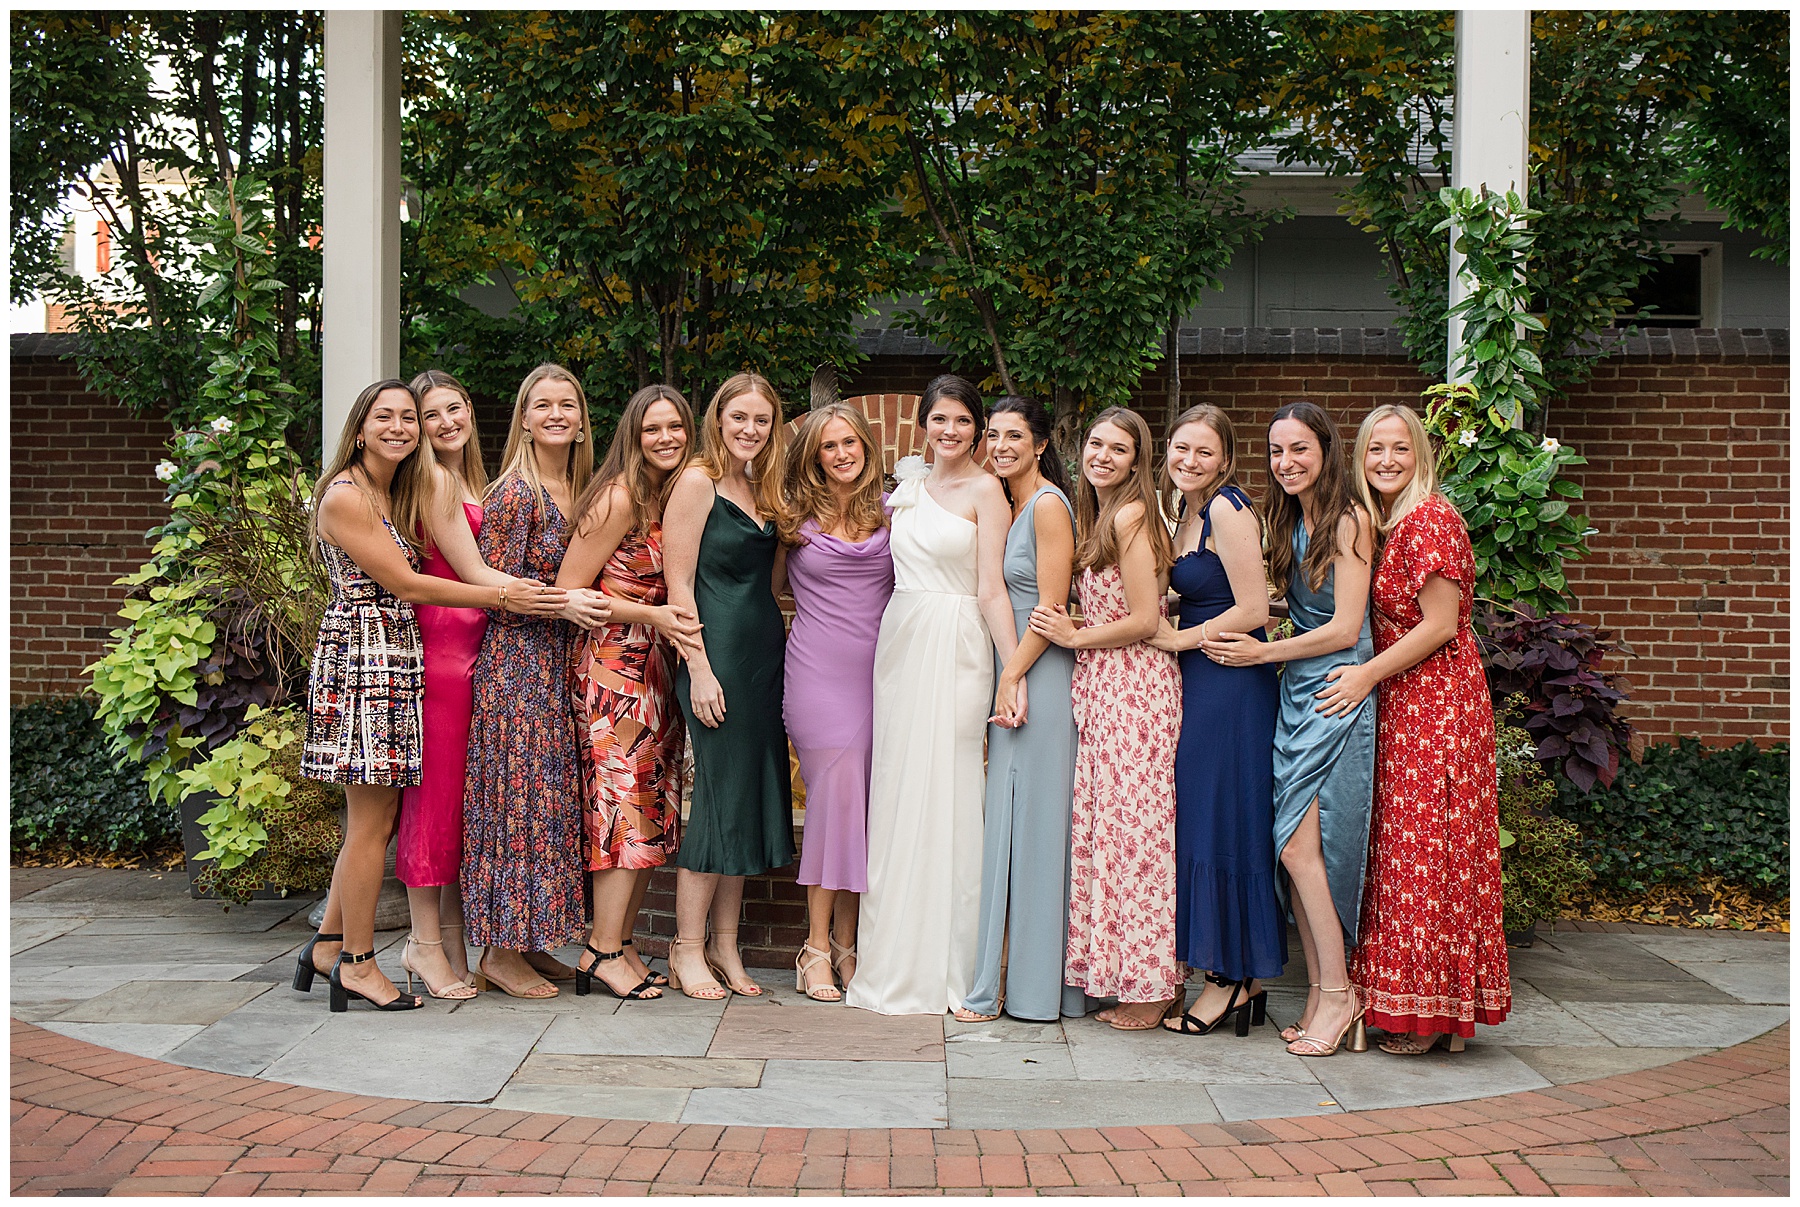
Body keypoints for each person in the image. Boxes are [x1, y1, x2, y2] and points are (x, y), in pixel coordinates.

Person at [296, 379, 562, 1012]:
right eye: (385, 417)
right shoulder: (345, 497)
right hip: (365, 659)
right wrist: (504, 594)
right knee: (373, 823)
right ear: (358, 428)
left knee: (375, 821)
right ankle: (360, 965)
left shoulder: (388, 490)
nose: (401, 427)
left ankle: (330, 946)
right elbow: (409, 585)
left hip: (395, 657)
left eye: (407, 418)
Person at [1334, 404, 1510, 1054]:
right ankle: (1437, 1013)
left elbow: (1439, 625)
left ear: (1421, 455)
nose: (1385, 460)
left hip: (1434, 705)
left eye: (1398, 449)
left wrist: (1363, 676)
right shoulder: (1395, 522)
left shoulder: (1430, 519)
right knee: (1422, 854)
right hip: (1412, 701)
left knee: (1425, 853)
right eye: (1374, 448)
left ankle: (1431, 1018)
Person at [1202, 400, 1376, 1058]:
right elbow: (1296, 603)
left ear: (1326, 450)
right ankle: (1322, 994)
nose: (1287, 462)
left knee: (1304, 849)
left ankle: (1339, 992)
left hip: (1335, 689)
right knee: (1291, 848)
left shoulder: (1349, 520)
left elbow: (1343, 626)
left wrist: (1260, 652)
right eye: (1277, 451)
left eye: (1299, 449)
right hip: (1298, 687)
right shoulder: (1291, 517)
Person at [396, 369, 570, 1001]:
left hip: (480, 651)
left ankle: (454, 944)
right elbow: (472, 572)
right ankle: (423, 946)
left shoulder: (469, 478)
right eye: (430, 415)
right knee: (435, 806)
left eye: (455, 408)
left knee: (466, 809)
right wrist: (547, 598)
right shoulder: (437, 480)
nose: (446, 423)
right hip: (445, 653)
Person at [850, 375, 1015, 1017]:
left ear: (977, 430)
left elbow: (993, 589)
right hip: (901, 640)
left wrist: (1010, 670)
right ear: (924, 425)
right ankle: (891, 961)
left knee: (950, 791)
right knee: (896, 791)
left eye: (963, 422)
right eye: (940, 420)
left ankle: (951, 967)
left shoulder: (987, 492)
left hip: (959, 642)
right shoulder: (906, 487)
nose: (950, 432)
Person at [1030, 407, 1184, 1032]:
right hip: (1105, 688)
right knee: (1111, 836)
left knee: (1139, 839)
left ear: (1137, 460)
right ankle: (1122, 975)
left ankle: (1152, 987)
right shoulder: (1102, 513)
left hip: (1135, 690)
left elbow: (1146, 619)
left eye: (1118, 449)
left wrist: (1074, 633)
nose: (1102, 456)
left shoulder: (1132, 515)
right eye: (1095, 443)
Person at [462, 364, 611, 999]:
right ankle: (497, 952)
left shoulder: (579, 488)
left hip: (556, 662)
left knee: (549, 802)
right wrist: (564, 604)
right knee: (515, 800)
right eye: (542, 405)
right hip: (516, 665)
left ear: (582, 420)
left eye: (567, 404)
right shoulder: (516, 494)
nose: (556, 414)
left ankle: (535, 937)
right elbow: (491, 591)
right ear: (524, 418)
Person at [558, 385, 705, 1001]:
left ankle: (615, 941)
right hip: (611, 672)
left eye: (676, 428)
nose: (666, 438)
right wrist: (653, 617)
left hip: (651, 673)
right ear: (632, 437)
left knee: (646, 807)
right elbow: (570, 591)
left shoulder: (665, 495)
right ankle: (601, 951)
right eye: (652, 429)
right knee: (622, 809)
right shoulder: (619, 495)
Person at [1151, 406, 1286, 1036]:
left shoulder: (1228, 508)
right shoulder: (1184, 510)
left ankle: (1231, 980)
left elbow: (1255, 607)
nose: (1190, 462)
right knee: (1202, 817)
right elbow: (1207, 589)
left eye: (1204, 453)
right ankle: (1234, 974)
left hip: (1231, 680)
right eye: (1181, 449)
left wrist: (1181, 638)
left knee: (1221, 820)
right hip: (1201, 680)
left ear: (1226, 460)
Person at [663, 372, 795, 1000]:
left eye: (762, 421)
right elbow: (678, 587)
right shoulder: (696, 482)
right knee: (715, 803)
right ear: (719, 418)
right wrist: (700, 668)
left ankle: (726, 947)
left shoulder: (761, 485)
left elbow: (771, 587)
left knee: (741, 804)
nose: (750, 429)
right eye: (739, 417)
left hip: (762, 661)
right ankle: (686, 950)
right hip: (715, 662)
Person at [957, 395, 1086, 1024]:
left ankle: (1034, 993)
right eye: (994, 434)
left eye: (1015, 436)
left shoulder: (1049, 506)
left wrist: (1011, 675)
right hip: (1022, 675)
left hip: (1045, 677)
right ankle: (1006, 983)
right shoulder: (1013, 504)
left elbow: (1053, 610)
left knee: (1035, 831)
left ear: (1040, 444)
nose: (1001, 444)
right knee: (1011, 826)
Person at [780, 404, 894, 1002]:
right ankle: (816, 948)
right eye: (829, 446)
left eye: (851, 442)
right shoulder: (791, 518)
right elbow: (770, 587)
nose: (842, 453)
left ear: (866, 447)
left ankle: (850, 948)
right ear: (814, 457)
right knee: (834, 800)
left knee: (863, 810)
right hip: (818, 677)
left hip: (882, 679)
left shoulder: (893, 514)